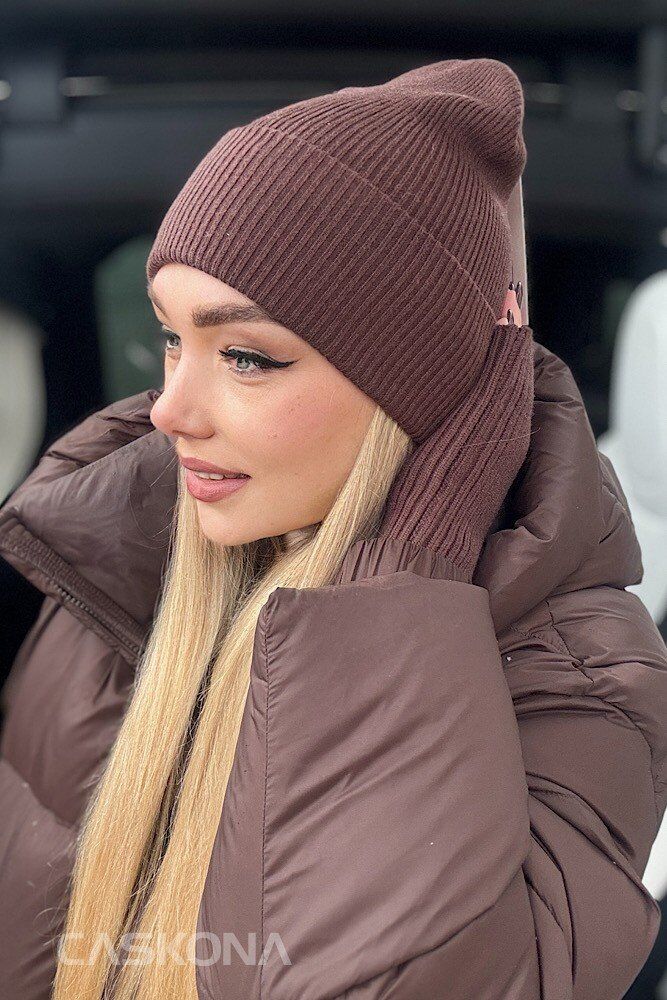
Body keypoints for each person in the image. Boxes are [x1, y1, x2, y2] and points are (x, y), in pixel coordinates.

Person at [0, 57, 666, 1000]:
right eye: (172, 339)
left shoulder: (582, 684)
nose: (168, 410)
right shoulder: (114, 566)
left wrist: (399, 577)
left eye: (245, 356)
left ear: (424, 388)